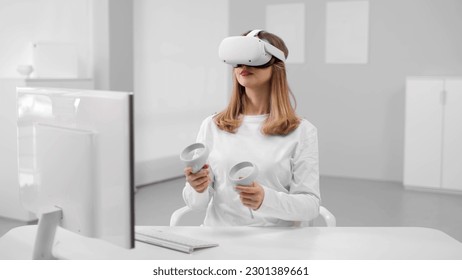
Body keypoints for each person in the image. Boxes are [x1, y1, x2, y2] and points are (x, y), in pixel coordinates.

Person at [182, 30, 320, 226]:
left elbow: (310, 206)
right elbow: (196, 204)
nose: (244, 66)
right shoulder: (212, 125)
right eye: (238, 60)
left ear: (276, 65)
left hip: (277, 244)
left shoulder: (301, 131)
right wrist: (196, 187)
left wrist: (266, 200)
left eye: (254, 58)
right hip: (220, 240)